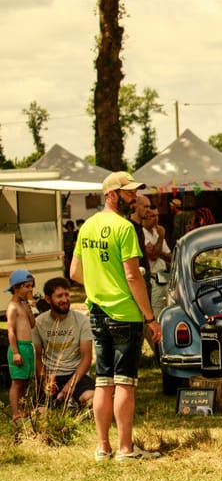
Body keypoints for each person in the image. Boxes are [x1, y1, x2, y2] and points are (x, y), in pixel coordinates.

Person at [70, 171, 162, 462]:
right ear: (112, 194)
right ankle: (124, 448)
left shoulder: (87, 227)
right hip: (125, 313)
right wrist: (150, 318)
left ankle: (102, 447)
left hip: (97, 312)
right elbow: (133, 276)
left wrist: (100, 285)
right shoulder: (123, 228)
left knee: (102, 381)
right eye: (128, 193)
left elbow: (74, 273)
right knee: (124, 382)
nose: (134, 198)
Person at [32, 277, 95, 408]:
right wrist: (44, 380)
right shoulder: (39, 323)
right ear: (48, 299)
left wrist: (70, 386)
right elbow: (37, 358)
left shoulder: (82, 320)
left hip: (77, 375)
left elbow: (87, 358)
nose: (65, 300)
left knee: (92, 399)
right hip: (51, 376)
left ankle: (73, 400)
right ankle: (64, 402)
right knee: (40, 416)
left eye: (67, 295)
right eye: (59, 296)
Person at [5, 269, 36, 421]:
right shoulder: (12, 307)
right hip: (18, 347)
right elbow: (11, 331)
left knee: (25, 381)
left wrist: (30, 308)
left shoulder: (24, 305)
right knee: (17, 382)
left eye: (31, 286)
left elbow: (32, 324)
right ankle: (16, 414)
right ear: (16, 288)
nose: (30, 290)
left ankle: (23, 411)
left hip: (28, 346)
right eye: (26, 286)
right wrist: (16, 352)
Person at [142, 206, 171, 339]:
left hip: (164, 275)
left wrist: (157, 249)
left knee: (167, 308)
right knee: (156, 311)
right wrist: (161, 238)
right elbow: (153, 255)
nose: (156, 219)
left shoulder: (156, 232)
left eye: (157, 215)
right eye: (152, 216)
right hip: (153, 278)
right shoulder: (143, 233)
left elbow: (169, 256)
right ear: (145, 218)